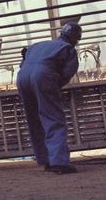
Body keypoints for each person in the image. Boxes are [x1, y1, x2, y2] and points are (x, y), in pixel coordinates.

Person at [16, 22, 82, 174]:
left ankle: (45, 159)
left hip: (23, 77)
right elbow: (67, 73)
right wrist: (52, 86)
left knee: (34, 119)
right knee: (53, 118)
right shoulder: (67, 49)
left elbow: (23, 62)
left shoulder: (38, 45)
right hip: (43, 75)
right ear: (75, 38)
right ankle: (58, 162)